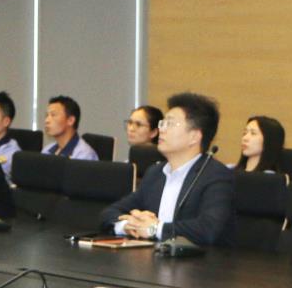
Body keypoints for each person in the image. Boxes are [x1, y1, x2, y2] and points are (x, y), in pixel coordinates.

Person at [99, 92, 235, 246]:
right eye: (162, 123)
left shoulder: (216, 176)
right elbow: (110, 213)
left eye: (169, 124)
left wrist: (154, 229)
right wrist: (128, 226)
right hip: (151, 257)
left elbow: (208, 229)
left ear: (194, 137)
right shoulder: (155, 173)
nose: (161, 130)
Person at [41, 95, 98, 160]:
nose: (47, 120)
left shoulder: (84, 155)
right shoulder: (47, 150)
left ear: (70, 120)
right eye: (47, 115)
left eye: (53, 115)